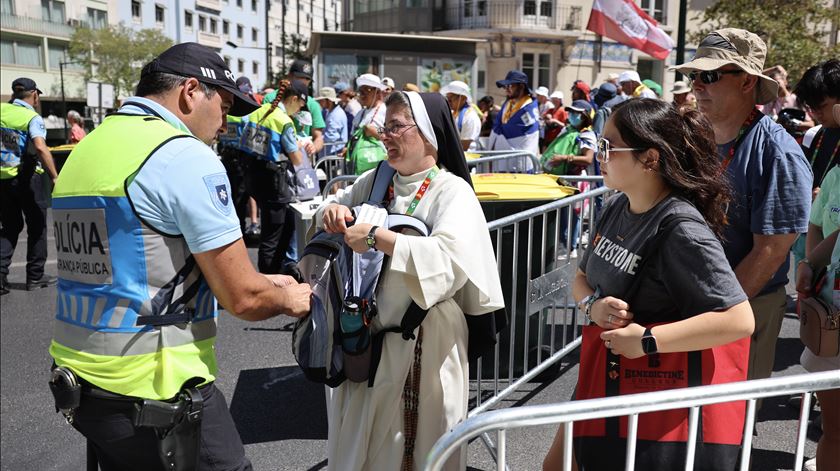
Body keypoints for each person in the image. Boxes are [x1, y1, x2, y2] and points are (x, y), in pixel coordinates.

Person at [47, 42, 312, 470]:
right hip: (158, 387)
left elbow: (137, 260)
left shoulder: (90, 148)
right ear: (191, 91)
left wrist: (269, 281)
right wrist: (294, 298)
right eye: (223, 107)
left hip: (83, 383)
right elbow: (242, 297)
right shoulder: (182, 155)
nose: (225, 123)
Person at [543, 98, 754, 471]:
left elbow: (738, 320)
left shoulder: (682, 229)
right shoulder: (616, 207)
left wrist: (646, 341)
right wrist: (593, 305)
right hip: (605, 375)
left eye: (607, 146)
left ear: (650, 159)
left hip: (653, 394)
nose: (598, 154)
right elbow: (580, 278)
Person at [318, 90, 504, 471]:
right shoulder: (378, 179)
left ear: (430, 134)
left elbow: (449, 261)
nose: (386, 135)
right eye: (384, 127)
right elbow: (330, 205)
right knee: (366, 448)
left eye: (397, 126)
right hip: (369, 341)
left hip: (425, 341)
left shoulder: (451, 192)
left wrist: (375, 237)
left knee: (418, 450)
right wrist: (332, 209)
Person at [674, 28, 812, 385]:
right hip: (692, 304)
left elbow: (772, 249)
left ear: (748, 81)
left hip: (741, 305)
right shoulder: (696, 138)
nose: (696, 85)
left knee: (724, 428)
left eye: (709, 75)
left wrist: (717, 311)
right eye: (694, 76)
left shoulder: (777, 152)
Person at [795, 164, 839, 471]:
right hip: (833, 320)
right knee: (835, 432)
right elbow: (833, 233)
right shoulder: (837, 174)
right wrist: (809, 263)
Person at [240, 79, 310, 275]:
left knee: (283, 226)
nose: (299, 110)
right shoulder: (283, 121)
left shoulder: (259, 112)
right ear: (294, 99)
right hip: (273, 183)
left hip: (253, 177)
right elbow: (296, 160)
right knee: (272, 235)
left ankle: (277, 272)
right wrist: (300, 146)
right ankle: (269, 278)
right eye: (300, 105)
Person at [0, 77, 59, 295]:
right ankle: (35, 276)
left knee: (10, 227)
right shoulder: (31, 117)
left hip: (3, 180)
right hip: (27, 179)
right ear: (34, 94)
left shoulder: (1, 110)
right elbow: (40, 148)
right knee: (37, 227)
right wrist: (55, 177)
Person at [540, 100, 597, 257]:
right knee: (563, 215)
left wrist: (564, 158)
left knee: (574, 216)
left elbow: (588, 159)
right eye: (570, 112)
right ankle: (564, 245)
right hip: (564, 179)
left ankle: (571, 247)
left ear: (584, 115)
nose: (571, 115)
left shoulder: (587, 135)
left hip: (576, 179)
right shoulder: (569, 130)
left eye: (576, 113)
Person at [793, 59, 840, 194]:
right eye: (812, 107)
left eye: (822, 106)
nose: (817, 114)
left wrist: (829, 196)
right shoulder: (813, 135)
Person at [263, 60, 326, 159]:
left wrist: (314, 147)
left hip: (300, 160)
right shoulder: (270, 98)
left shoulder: (313, 105)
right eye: (299, 78)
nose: (303, 81)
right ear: (289, 76)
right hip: (274, 156)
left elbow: (318, 137)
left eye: (307, 79)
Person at [487, 70, 540, 172]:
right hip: (504, 163)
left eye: (510, 86)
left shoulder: (528, 108)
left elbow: (511, 129)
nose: (506, 89)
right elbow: (499, 126)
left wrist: (500, 128)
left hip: (520, 167)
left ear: (521, 86)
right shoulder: (509, 103)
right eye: (505, 86)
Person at [344, 73, 388, 173]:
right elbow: (353, 136)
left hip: (378, 167)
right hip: (358, 168)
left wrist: (376, 132)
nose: (362, 94)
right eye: (361, 90)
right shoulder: (360, 113)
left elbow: (390, 133)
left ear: (377, 92)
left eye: (367, 90)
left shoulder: (386, 111)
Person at [442, 80, 482, 151]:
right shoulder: (453, 113)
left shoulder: (470, 117)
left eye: (451, 99)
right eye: (447, 99)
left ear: (463, 98)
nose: (448, 102)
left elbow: (464, 145)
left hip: (467, 158)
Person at [316, 86, 348, 156]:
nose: (319, 103)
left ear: (329, 101)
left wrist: (317, 139)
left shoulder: (336, 115)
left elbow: (332, 136)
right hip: (328, 154)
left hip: (332, 155)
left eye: (321, 101)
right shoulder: (331, 112)